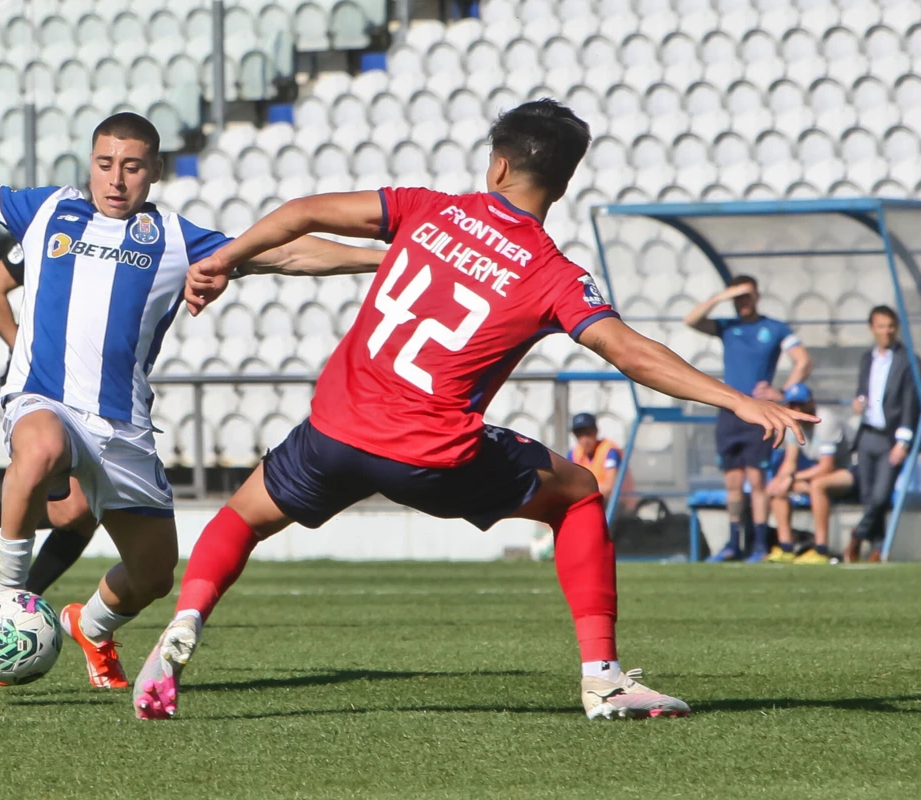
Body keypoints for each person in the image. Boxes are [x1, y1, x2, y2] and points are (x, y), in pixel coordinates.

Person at [129, 99, 815, 722]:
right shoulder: (554, 274)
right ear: (565, 183)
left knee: (241, 517)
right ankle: (604, 681)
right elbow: (631, 353)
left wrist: (226, 259)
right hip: (429, 456)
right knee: (578, 495)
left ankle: (184, 623)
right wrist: (735, 398)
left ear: (499, 164)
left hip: (335, 430)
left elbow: (304, 210)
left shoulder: (427, 209)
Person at [0, 111, 382, 690]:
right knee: (40, 449)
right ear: (90, 163)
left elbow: (286, 254)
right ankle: (11, 598)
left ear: (154, 170)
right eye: (105, 164)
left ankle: (92, 624)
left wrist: (386, 257)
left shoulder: (176, 239)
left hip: (122, 428)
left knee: (154, 575)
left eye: (131, 167)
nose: (115, 179)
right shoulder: (51, 210)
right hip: (42, 400)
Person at [0, 236, 99, 593]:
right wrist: (24, 350)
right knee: (79, 506)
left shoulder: (135, 242)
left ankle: (24, 598)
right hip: (45, 381)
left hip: (95, 383)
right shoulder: (56, 229)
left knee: (91, 508)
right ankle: (20, 598)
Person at [684, 275, 813, 563]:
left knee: (757, 480)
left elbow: (803, 360)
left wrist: (781, 391)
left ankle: (757, 545)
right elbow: (690, 320)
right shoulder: (728, 328)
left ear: (757, 296)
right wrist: (721, 296)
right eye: (738, 297)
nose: (743, 302)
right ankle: (733, 544)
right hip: (729, 413)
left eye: (747, 296)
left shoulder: (774, 328)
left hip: (759, 413)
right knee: (732, 482)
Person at [844, 305, 918, 563]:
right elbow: (864, 390)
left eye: (890, 326)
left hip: (891, 438)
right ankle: (876, 548)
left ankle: (857, 534)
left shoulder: (908, 360)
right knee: (867, 496)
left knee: (880, 494)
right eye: (881, 326)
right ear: (872, 328)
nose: (886, 331)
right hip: (867, 435)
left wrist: (904, 441)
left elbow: (912, 402)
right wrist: (858, 401)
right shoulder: (868, 358)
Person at [763, 384, 852, 564]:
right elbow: (790, 461)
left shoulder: (824, 420)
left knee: (818, 485)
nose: (796, 409)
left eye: (800, 405)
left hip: (849, 473)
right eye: (792, 405)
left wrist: (792, 477)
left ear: (811, 402)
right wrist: (780, 480)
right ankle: (786, 546)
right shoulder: (793, 422)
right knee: (779, 486)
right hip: (818, 475)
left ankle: (820, 549)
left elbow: (827, 466)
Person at [567, 412, 630, 507]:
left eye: (588, 433)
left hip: (616, 506)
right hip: (590, 501)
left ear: (596, 431)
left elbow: (609, 488)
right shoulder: (574, 453)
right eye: (579, 435)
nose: (584, 440)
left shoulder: (609, 450)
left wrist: (577, 490)